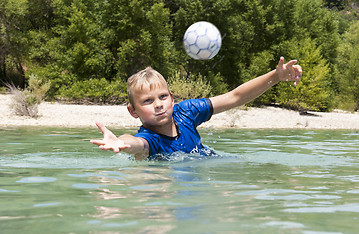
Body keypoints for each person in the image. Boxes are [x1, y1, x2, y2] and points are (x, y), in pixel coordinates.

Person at [90, 57, 302, 160]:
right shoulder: (151, 139)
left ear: (172, 99)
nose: (158, 104)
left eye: (163, 96)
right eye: (147, 101)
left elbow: (234, 97)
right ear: (133, 111)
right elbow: (136, 143)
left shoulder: (186, 112)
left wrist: (275, 77)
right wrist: (120, 142)